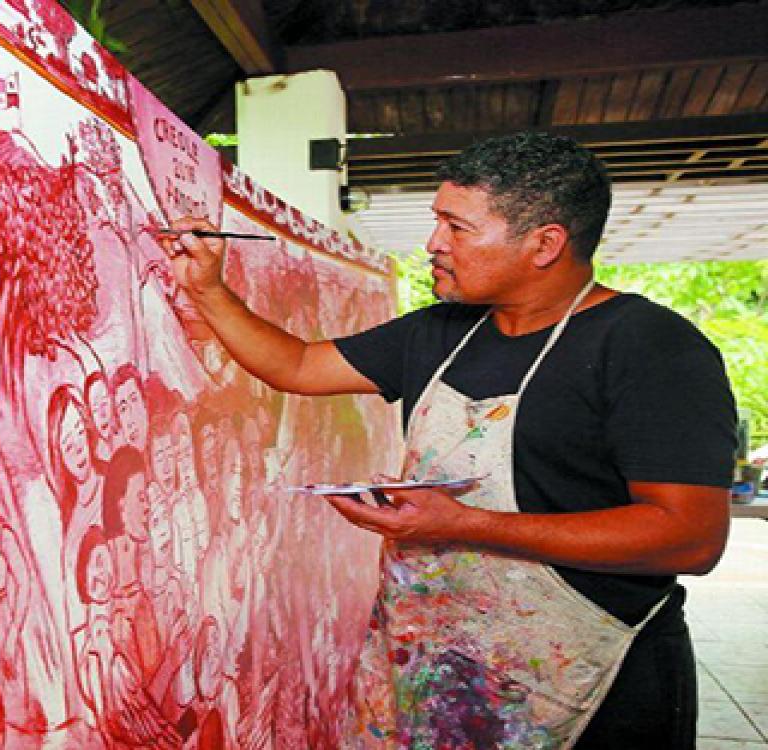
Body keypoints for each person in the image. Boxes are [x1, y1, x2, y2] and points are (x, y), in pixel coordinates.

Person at [161, 131, 736, 749]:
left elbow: (691, 537)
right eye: (438, 222)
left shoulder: (649, 346)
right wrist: (208, 290)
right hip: (433, 670)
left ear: (545, 244)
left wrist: (464, 524)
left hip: (589, 690)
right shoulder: (443, 330)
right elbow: (298, 366)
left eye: (457, 228)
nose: (433, 244)